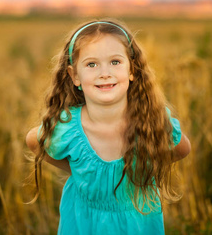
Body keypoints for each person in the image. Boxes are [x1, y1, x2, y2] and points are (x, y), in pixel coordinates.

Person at [26, 19, 191, 234]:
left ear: (132, 69)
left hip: (138, 224)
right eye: (91, 64)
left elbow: (182, 148)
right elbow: (34, 140)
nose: (105, 73)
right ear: (75, 75)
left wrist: (146, 164)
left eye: (115, 62)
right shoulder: (68, 129)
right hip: (84, 224)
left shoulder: (151, 122)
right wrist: (79, 171)